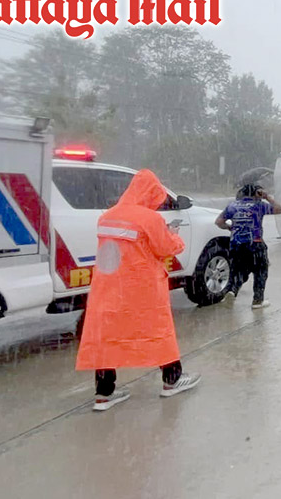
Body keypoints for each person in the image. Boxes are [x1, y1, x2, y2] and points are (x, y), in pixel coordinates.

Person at [75, 170, 201, 411]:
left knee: (107, 335)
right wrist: (174, 236)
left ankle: (104, 393)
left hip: (109, 287)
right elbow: (166, 248)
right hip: (142, 287)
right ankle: (172, 380)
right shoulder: (150, 218)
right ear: (151, 194)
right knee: (158, 329)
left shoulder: (107, 216)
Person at [216, 183, 281, 309]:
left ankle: (232, 290)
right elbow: (279, 209)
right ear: (257, 193)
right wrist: (267, 197)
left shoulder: (232, 206)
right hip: (255, 244)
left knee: (239, 271)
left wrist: (229, 227)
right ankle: (257, 301)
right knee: (260, 271)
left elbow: (219, 222)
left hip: (236, 245)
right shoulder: (259, 205)